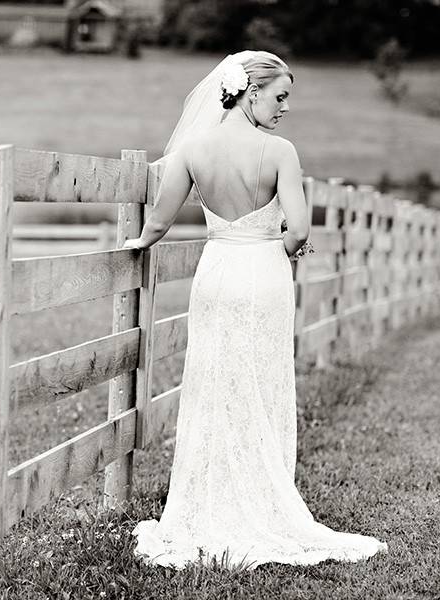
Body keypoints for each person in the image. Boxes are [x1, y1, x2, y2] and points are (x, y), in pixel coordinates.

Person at [123, 50, 389, 570]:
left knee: (213, 381)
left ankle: (208, 500)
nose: (284, 107)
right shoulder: (279, 151)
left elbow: (157, 225)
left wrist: (133, 245)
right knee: (261, 383)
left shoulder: (194, 148)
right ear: (250, 91)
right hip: (263, 273)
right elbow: (301, 229)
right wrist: (288, 250)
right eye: (280, 96)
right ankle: (260, 495)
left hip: (217, 273)